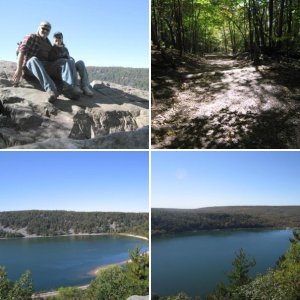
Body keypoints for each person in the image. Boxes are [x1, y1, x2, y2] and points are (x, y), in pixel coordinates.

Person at [13, 21, 81, 103]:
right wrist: (19, 69)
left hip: (45, 66)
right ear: (39, 28)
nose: (45, 31)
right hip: (31, 67)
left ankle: (69, 88)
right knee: (33, 59)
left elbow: (52, 57)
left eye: (48, 30)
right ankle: (51, 90)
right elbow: (21, 52)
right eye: (43, 28)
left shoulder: (47, 42)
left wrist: (64, 59)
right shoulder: (31, 36)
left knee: (66, 61)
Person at [49, 32, 94, 97]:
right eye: (56, 38)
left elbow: (68, 57)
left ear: (62, 39)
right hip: (61, 69)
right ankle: (74, 86)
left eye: (59, 38)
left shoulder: (65, 49)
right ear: (54, 39)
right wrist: (62, 56)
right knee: (68, 62)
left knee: (80, 62)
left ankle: (85, 86)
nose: (58, 40)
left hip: (69, 65)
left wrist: (70, 58)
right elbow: (51, 58)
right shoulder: (52, 49)